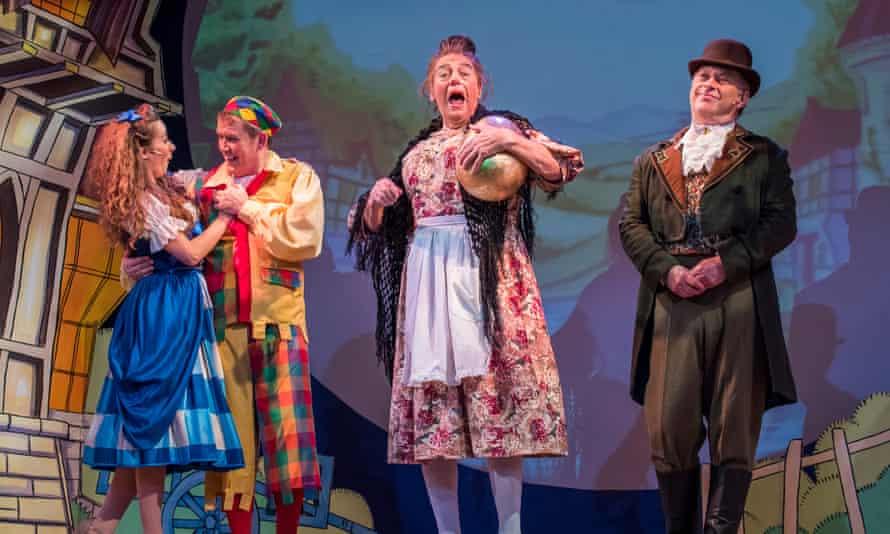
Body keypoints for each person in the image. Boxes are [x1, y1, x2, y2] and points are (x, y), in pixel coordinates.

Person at [347, 35, 583, 534]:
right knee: (435, 412)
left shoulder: (501, 130)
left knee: (497, 400)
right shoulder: (417, 150)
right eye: (444, 74)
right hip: (429, 282)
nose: (454, 80)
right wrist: (377, 201)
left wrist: (511, 141)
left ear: (480, 86)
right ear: (430, 90)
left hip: (490, 280)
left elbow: (557, 171)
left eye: (464, 74)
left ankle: (510, 527)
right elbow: (376, 227)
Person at [122, 96, 325, 534]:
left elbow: (304, 238)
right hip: (222, 329)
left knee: (287, 444)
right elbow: (153, 218)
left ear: (260, 138)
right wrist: (129, 266)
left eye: (233, 138)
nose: (225, 147)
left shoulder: (295, 177)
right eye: (220, 137)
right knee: (231, 448)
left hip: (281, 327)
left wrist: (247, 208)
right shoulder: (199, 186)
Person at [619, 39, 798, 533]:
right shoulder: (653, 161)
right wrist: (668, 270)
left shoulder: (763, 156)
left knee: (733, 422)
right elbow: (631, 226)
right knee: (670, 424)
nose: (708, 84)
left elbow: (780, 224)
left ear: (741, 98)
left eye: (721, 79)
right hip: (672, 301)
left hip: (737, 298)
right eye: (702, 77)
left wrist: (728, 263)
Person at [80, 104, 244, 534]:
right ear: (144, 154)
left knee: (156, 419)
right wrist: (226, 218)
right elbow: (189, 254)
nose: (171, 147)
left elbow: (215, 176)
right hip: (162, 314)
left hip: (179, 308)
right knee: (152, 420)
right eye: (163, 142)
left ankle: (104, 524)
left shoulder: (170, 188)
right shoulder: (142, 200)